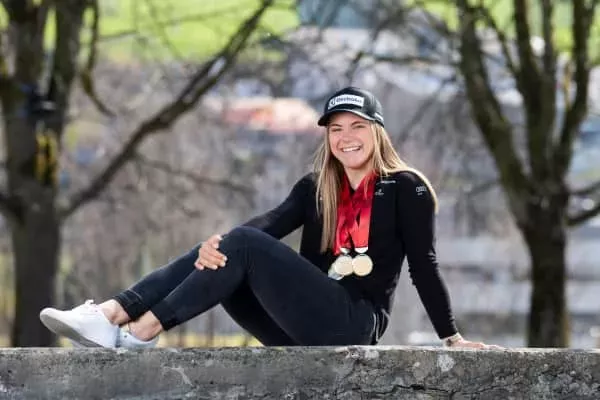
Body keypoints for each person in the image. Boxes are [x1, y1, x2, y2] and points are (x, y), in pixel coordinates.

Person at [40, 86, 492, 349]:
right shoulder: (317, 187)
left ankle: (139, 331)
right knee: (223, 248)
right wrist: (217, 246)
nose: (346, 137)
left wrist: (450, 336)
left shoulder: (407, 187)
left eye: (357, 126)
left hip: (353, 324)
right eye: (336, 129)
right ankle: (111, 314)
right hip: (297, 327)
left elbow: (424, 265)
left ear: (377, 132)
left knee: (237, 243)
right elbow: (269, 224)